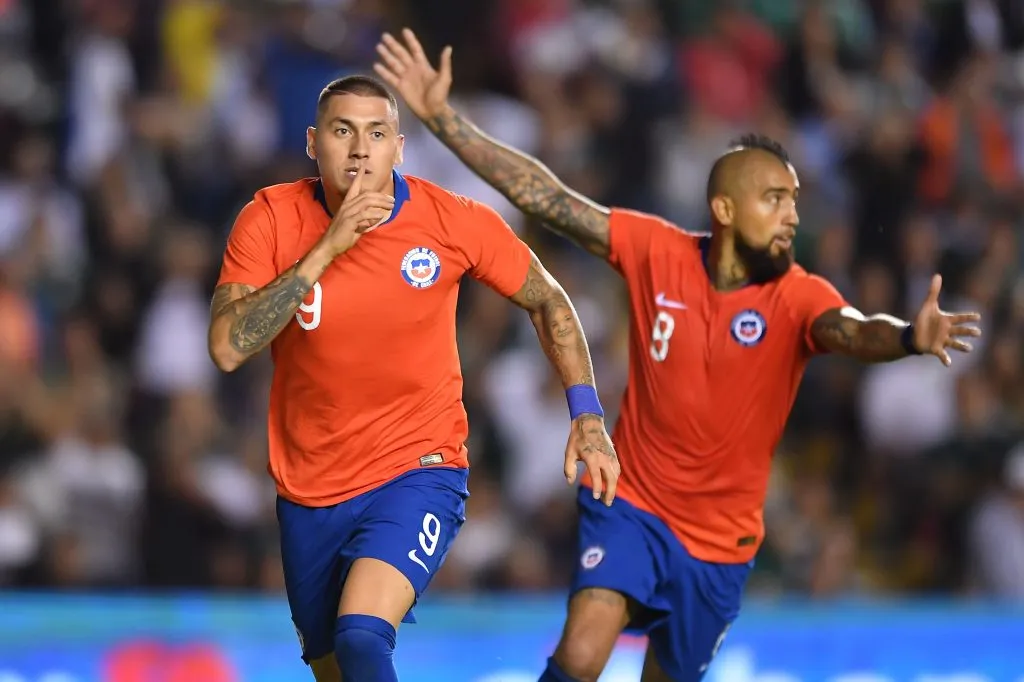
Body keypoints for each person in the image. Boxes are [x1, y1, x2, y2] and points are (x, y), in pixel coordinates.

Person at [373, 30, 984, 682]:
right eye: (774, 199)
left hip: (720, 545)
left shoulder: (799, 297)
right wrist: (441, 118)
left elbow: (854, 330)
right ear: (724, 208)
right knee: (581, 654)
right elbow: (545, 198)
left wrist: (907, 338)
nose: (790, 216)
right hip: (630, 501)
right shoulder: (655, 251)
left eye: (794, 202)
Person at [207, 75, 619, 682]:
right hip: (309, 490)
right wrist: (326, 250)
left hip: (418, 469)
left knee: (362, 638)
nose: (359, 149)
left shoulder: (450, 220)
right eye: (342, 131)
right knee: (335, 667)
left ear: (398, 148)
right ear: (312, 143)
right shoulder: (268, 218)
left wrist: (586, 411)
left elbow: (548, 298)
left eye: (377, 134)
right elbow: (226, 347)